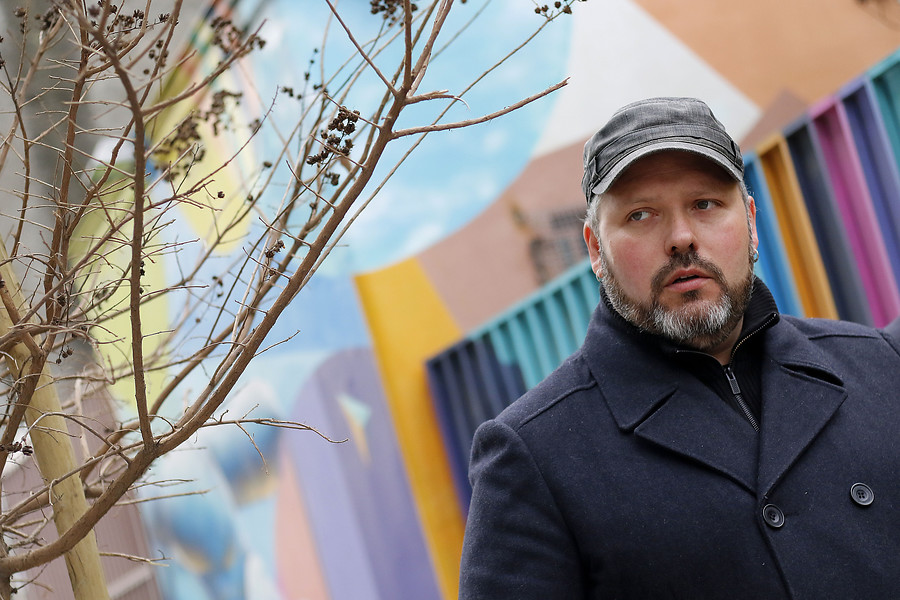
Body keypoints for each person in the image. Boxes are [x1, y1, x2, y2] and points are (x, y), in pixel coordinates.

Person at [458, 97, 900, 599]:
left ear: (750, 221)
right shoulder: (534, 455)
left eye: (705, 204)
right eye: (641, 215)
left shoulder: (880, 366)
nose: (682, 238)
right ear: (596, 249)